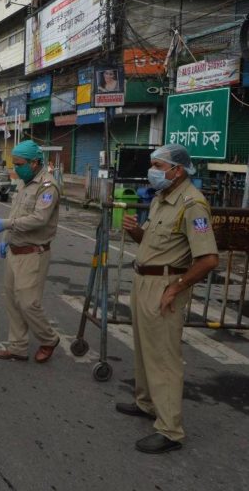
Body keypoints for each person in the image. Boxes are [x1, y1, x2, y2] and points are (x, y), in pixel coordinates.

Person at [116, 144, 218, 454]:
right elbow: (153, 240)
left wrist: (176, 288)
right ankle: (147, 403)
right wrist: (136, 232)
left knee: (164, 358)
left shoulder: (192, 205)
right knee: (145, 350)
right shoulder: (163, 198)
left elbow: (208, 259)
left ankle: (170, 430)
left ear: (177, 170)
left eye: (158, 166)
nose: (153, 171)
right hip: (144, 280)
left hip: (164, 285)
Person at [0, 140, 61, 363]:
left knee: (28, 303)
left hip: (33, 253)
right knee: (11, 300)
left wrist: (7, 225)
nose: (16, 168)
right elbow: (17, 212)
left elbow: (39, 219)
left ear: (35, 162)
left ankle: (49, 338)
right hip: (15, 249)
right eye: (15, 163)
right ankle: (18, 347)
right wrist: (5, 238)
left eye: (19, 164)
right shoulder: (22, 183)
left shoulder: (48, 187)